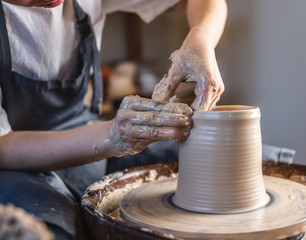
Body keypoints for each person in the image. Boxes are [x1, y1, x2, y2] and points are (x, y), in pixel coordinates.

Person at [0, 0, 227, 238]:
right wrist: (111, 137)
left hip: (90, 137)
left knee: (258, 159)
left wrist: (200, 38)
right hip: (18, 165)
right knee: (51, 232)